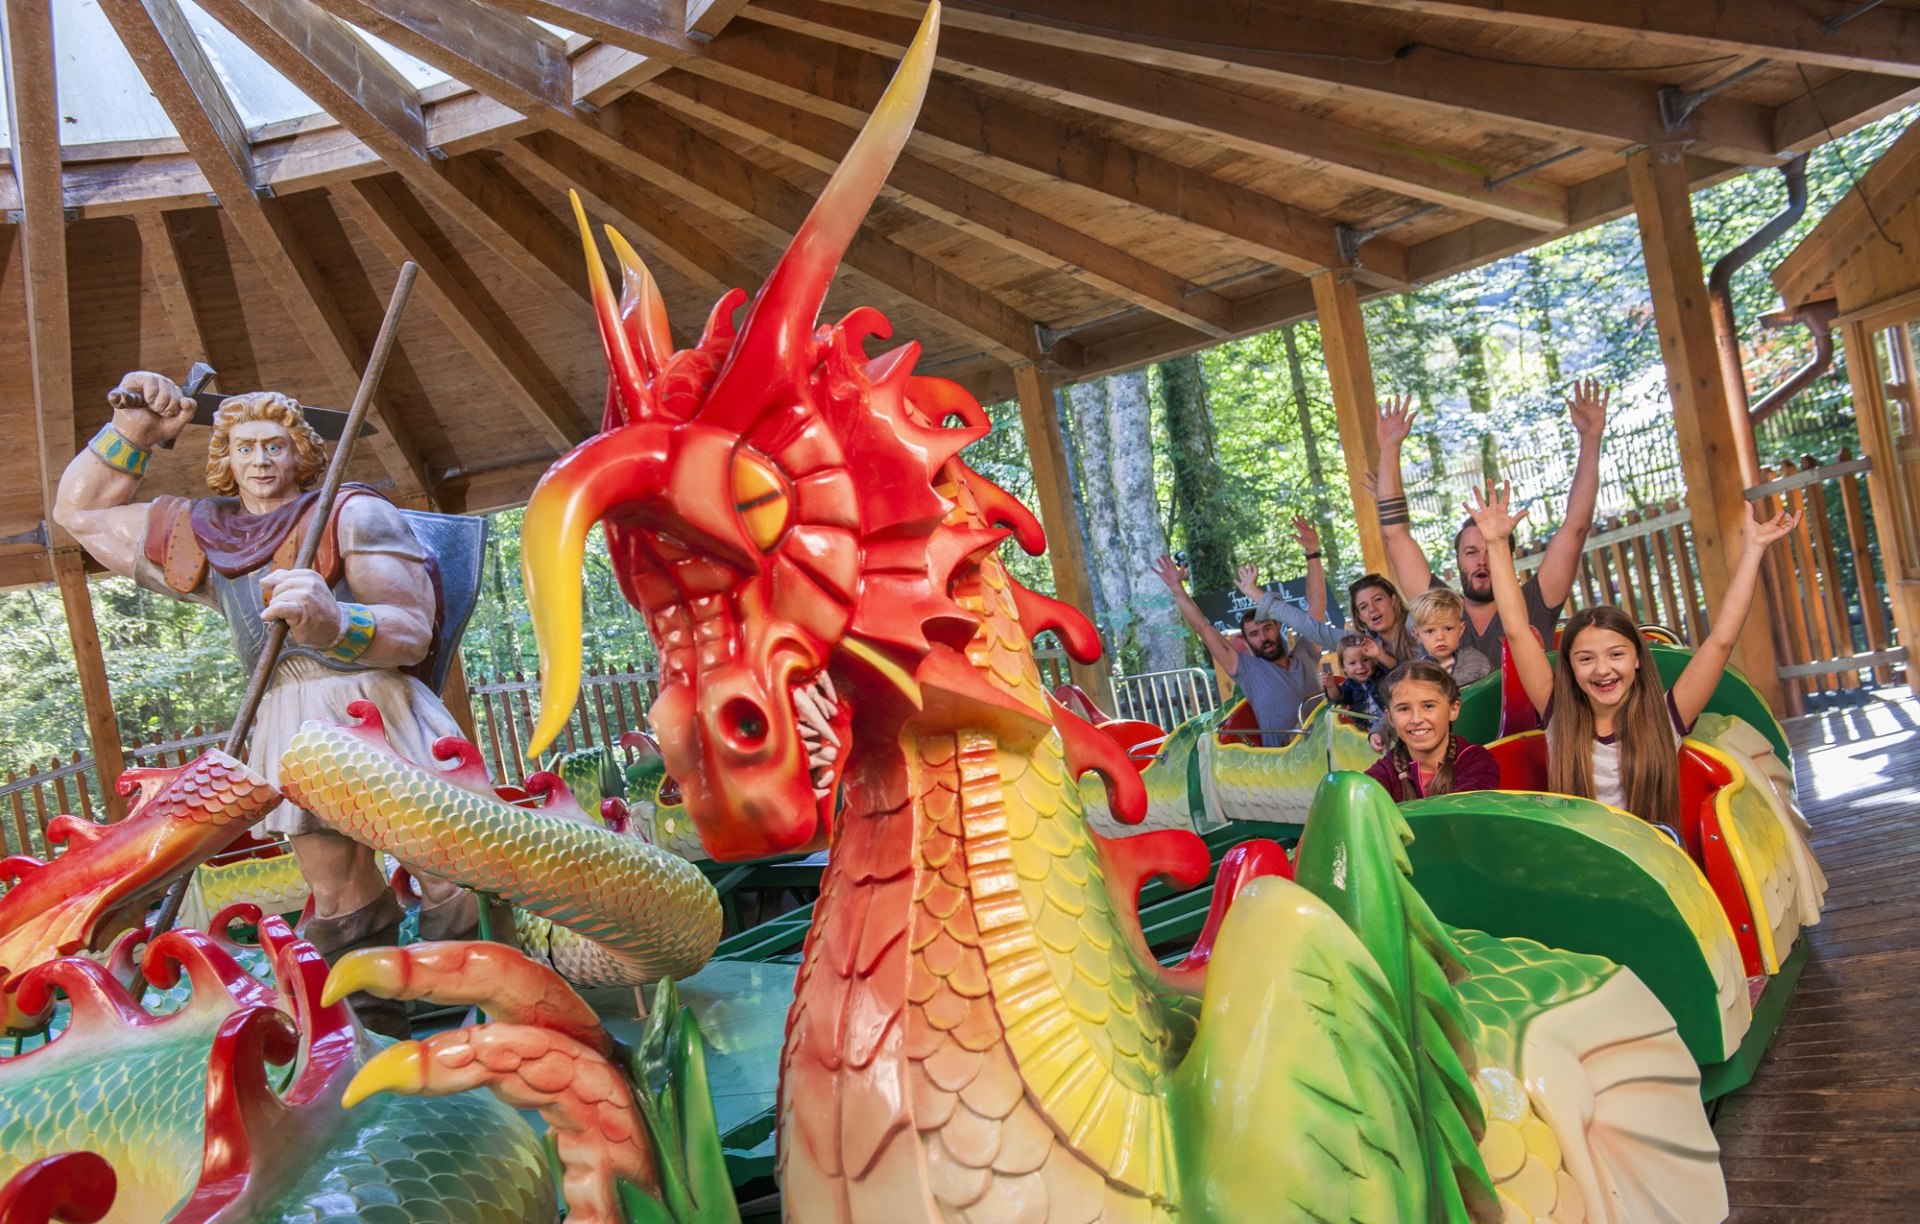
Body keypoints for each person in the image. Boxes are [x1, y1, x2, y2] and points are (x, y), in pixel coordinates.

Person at [52, 370, 484, 1038]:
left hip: (373, 704)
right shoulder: (206, 534)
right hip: (286, 714)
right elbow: (79, 514)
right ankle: (365, 1025)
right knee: (337, 886)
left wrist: (335, 621)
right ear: (224, 457)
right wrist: (134, 425)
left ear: (300, 455)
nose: (260, 460)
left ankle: (474, 1000)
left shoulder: (351, 514)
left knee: (447, 864)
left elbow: (411, 630)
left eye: (275, 446)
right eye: (246, 445)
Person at [1466, 481, 1798, 827]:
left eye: (1616, 654)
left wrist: (1753, 550)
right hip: (1587, 856)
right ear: (1571, 667)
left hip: (1655, 858)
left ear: (1637, 659)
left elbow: (1721, 640)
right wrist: (1496, 544)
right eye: (1586, 658)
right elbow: (1519, 631)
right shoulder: (1558, 715)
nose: (1602, 669)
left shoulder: (1666, 717)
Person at [1373, 380, 1609, 673]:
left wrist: (1591, 439)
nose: (1481, 559)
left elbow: (1576, 527)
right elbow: (1395, 535)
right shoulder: (1437, 607)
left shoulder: (1535, 600)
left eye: (1490, 549)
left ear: (1507, 556)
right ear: (1458, 560)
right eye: (1471, 552)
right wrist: (1389, 450)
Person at [1152, 522, 1338, 747]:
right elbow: (1202, 627)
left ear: (1277, 627)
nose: (1263, 637)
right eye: (1254, 634)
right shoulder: (1248, 670)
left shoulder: (1305, 653)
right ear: (1247, 641)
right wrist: (1177, 589)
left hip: (1327, 743)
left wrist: (1313, 552)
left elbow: (1318, 604)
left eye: (1267, 628)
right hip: (1287, 760)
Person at [1365, 660, 1501, 802]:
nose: (1416, 719)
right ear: (1390, 718)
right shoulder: (1386, 770)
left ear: (1453, 709)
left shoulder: (1477, 762)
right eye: (1404, 709)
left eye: (1428, 706)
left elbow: (1464, 816)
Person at [1408, 586, 1492, 686]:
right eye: (1430, 631)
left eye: (1448, 629)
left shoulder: (1475, 661)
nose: (1440, 637)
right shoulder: (1416, 674)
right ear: (1417, 635)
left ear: (1460, 629)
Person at [1347, 573, 1415, 678]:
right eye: (1364, 606)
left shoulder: (1414, 627)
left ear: (1393, 600)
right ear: (1360, 616)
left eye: (1378, 599)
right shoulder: (1367, 646)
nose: (1372, 609)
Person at [1321, 633, 1385, 723]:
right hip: (1366, 730)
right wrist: (1331, 686)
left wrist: (1380, 655)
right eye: (1352, 663)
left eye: (1365, 660)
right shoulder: (1349, 685)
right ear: (1343, 667)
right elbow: (1337, 698)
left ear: (1374, 659)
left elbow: (1393, 667)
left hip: (1389, 723)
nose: (1360, 666)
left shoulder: (1382, 675)